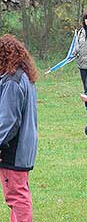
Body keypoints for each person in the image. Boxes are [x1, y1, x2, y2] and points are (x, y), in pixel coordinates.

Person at [0, 34, 38, 221]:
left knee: (16, 196)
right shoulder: (23, 76)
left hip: (14, 148)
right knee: (18, 193)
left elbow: (8, 122)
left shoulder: (12, 81)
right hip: (24, 145)